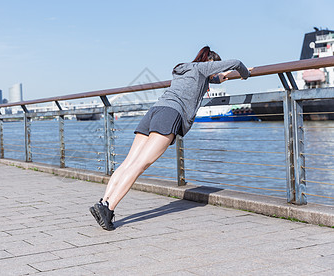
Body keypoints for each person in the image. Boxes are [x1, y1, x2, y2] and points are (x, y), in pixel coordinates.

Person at [89, 46, 251, 231]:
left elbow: (218, 78)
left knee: (128, 162)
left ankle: (103, 202)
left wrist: (229, 75)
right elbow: (237, 62)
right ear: (210, 63)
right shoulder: (202, 68)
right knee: (139, 165)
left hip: (154, 111)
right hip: (170, 115)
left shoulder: (184, 70)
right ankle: (109, 209)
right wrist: (245, 73)